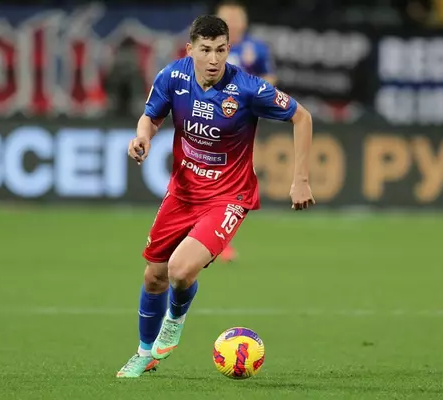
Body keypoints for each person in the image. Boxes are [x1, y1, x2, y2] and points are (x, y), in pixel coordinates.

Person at [116, 15, 314, 378]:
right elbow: (151, 117)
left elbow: (302, 117)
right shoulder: (173, 76)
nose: (213, 59)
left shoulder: (248, 88)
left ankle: (174, 320)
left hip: (228, 196)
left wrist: (300, 179)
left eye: (220, 50)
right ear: (190, 49)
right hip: (182, 192)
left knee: (179, 271)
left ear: (228, 50)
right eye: (205, 50)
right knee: (154, 276)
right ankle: (145, 354)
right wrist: (142, 137)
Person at [215, 0, 277, 262]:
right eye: (226, 18)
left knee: (230, 182)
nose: (232, 23)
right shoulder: (210, 48)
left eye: (236, 18)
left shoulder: (256, 48)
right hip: (209, 121)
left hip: (241, 126)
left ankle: (219, 238)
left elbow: (269, 79)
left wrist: (252, 97)